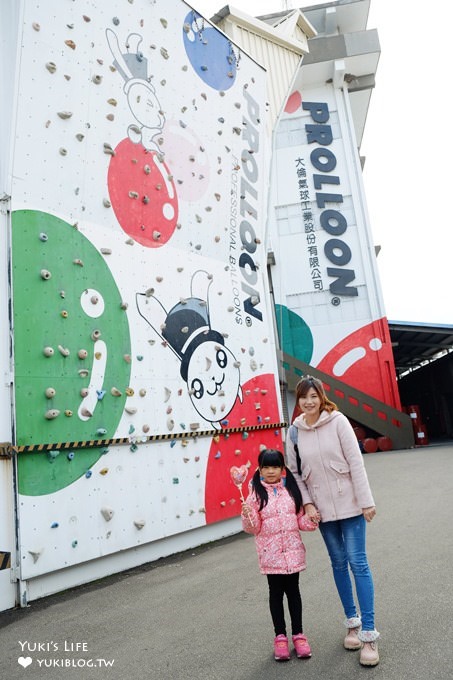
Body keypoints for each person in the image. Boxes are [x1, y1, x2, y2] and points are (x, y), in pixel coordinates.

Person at [286, 375, 380, 667]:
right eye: (303, 397)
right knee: (338, 563)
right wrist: (309, 503)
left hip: (351, 505)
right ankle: (352, 623)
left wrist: (366, 501)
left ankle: (369, 634)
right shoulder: (294, 432)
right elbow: (294, 472)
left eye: (313, 396)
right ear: (298, 400)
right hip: (322, 512)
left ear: (321, 397)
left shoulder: (338, 421)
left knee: (358, 562)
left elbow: (355, 461)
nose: (308, 402)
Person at [241, 448, 318, 662]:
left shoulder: (291, 491)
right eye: (266, 467)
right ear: (259, 469)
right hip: (271, 555)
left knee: (294, 593)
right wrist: (248, 516)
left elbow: (300, 520)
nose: (271, 471)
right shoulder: (256, 494)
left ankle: (299, 636)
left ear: (282, 469)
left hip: (292, 553)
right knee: (275, 595)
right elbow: (253, 528)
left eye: (275, 466)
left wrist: (312, 520)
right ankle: (280, 638)